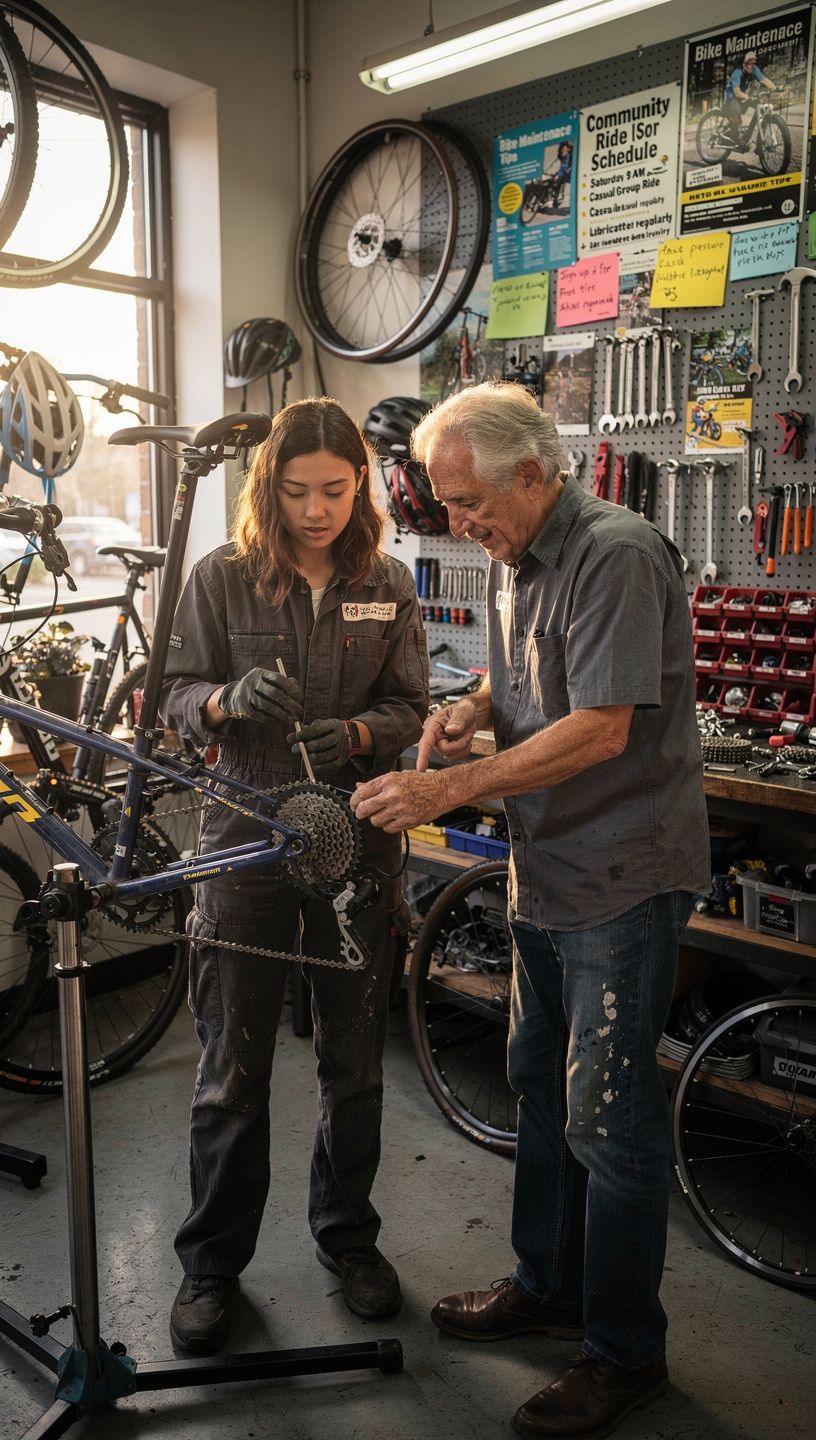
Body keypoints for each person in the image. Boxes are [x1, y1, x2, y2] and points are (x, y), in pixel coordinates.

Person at [351, 383, 710, 1440]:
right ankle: (547, 1286)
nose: (458, 524)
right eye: (446, 506)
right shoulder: (516, 563)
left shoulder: (618, 553)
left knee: (609, 1118)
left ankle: (622, 1351)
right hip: (545, 872)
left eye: (468, 503)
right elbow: (529, 700)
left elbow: (601, 729)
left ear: (534, 472)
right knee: (539, 1092)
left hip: (622, 881)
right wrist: (469, 714)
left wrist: (444, 790)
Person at [160, 396, 428, 1354]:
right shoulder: (221, 580)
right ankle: (210, 1266)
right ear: (266, 485)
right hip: (243, 837)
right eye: (297, 489)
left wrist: (360, 732)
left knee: (353, 1061)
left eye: (336, 489)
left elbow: (412, 708)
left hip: (355, 838)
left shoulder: (389, 582)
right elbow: (172, 698)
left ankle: (349, 1239)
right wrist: (225, 701)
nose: (316, 509)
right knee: (233, 1067)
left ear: (362, 487)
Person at [723, 51, 775, 145]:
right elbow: (737, 92)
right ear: (743, 64)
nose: (750, 65)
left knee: (759, 105)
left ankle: (757, 141)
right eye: (748, 63)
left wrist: (775, 88)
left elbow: (764, 80)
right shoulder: (737, 72)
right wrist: (747, 96)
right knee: (737, 110)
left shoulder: (754, 69)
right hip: (732, 96)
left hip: (741, 95)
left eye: (752, 63)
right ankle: (734, 135)